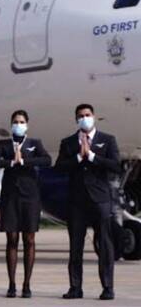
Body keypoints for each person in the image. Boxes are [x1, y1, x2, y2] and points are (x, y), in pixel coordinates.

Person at [54, 104, 120, 301]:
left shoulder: (107, 140)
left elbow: (115, 165)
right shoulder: (68, 143)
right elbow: (59, 167)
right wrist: (78, 157)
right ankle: (75, 288)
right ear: (76, 120)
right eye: (81, 116)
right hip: (77, 202)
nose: (84, 118)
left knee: (105, 246)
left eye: (87, 115)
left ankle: (107, 288)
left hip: (100, 200)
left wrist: (91, 156)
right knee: (76, 247)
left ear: (94, 117)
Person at [0, 110, 51, 298]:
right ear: (11, 125)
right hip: (10, 197)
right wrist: (10, 163)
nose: (18, 125)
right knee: (12, 239)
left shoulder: (34, 144)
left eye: (21, 122)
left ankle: (27, 284)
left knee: (29, 239)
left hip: (30, 197)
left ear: (27, 125)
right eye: (15, 122)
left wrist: (23, 161)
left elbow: (47, 160)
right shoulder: (4, 145)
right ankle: (12, 284)